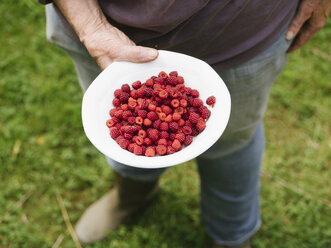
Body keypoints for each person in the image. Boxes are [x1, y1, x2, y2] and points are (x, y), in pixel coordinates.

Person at [38, 0, 330, 247]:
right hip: (96, 26)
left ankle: (231, 232)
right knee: (125, 151)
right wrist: (92, 27)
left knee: (233, 143)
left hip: (243, 32)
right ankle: (133, 195)